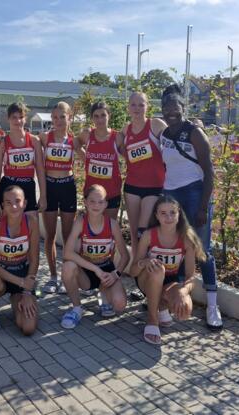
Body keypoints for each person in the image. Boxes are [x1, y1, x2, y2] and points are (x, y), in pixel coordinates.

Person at [159, 84, 223, 330]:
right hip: (171, 194)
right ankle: (169, 298)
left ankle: (212, 305)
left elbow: (209, 172)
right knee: (173, 247)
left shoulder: (195, 133)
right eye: (166, 108)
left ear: (183, 109)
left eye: (175, 108)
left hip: (195, 193)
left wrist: (203, 206)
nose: (170, 112)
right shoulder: (164, 135)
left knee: (202, 249)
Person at [130, 195, 206, 344]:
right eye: (163, 213)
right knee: (158, 271)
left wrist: (182, 292)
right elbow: (133, 271)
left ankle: (162, 305)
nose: (168, 217)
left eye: (172, 212)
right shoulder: (148, 235)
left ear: (179, 214)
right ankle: (152, 320)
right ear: (156, 216)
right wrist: (144, 263)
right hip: (147, 279)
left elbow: (191, 276)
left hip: (170, 282)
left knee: (185, 310)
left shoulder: (186, 238)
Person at [60, 185, 129, 329]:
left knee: (120, 305)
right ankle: (77, 308)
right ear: (85, 202)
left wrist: (116, 274)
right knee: (68, 266)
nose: (96, 205)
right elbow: (67, 252)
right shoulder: (80, 222)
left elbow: (125, 256)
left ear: (106, 204)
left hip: (106, 271)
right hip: (87, 271)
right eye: (92, 201)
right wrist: (95, 269)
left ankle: (104, 294)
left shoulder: (113, 224)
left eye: (100, 201)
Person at [0, 186, 40, 335]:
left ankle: (16, 300)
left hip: (22, 275)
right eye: (8, 202)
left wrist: (27, 292)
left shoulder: (32, 222)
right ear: (3, 205)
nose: (14, 206)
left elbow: (34, 259)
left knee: (28, 328)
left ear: (25, 203)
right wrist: (21, 282)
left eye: (17, 201)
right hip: (1, 275)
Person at [39, 101, 84, 294]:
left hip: (67, 187)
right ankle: (53, 277)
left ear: (70, 118)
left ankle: (67, 276)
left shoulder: (73, 141)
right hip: (49, 187)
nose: (58, 121)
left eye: (62, 117)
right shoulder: (44, 137)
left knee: (68, 236)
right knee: (49, 236)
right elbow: (23, 140)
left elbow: (88, 158)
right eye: (55, 117)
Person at [120, 92, 167, 256]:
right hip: (132, 186)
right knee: (133, 231)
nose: (137, 108)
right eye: (133, 104)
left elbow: (173, 143)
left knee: (143, 229)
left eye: (141, 104)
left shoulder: (156, 125)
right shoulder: (125, 130)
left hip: (154, 187)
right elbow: (119, 151)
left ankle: (144, 265)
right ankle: (136, 263)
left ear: (148, 107)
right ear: (128, 107)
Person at [0, 102, 46, 219]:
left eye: (21, 117)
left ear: (25, 118)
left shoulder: (34, 141)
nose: (18, 121)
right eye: (14, 117)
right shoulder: (2, 142)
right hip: (8, 187)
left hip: (28, 186)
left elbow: (40, 171)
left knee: (32, 226)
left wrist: (43, 196)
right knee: (8, 229)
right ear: (8, 119)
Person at [78, 102, 123, 220]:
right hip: (92, 193)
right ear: (92, 118)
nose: (100, 119)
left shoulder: (117, 137)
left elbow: (130, 158)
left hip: (112, 192)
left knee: (110, 228)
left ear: (109, 116)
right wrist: (85, 158)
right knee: (93, 228)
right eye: (96, 116)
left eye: (103, 115)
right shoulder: (87, 135)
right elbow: (75, 143)